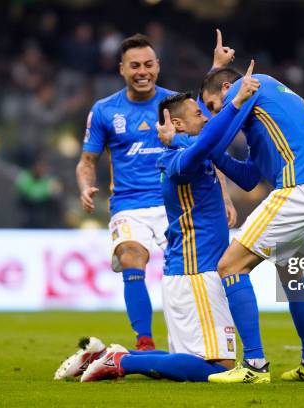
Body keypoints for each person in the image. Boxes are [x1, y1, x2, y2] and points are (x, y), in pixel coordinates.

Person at [60, 63, 260, 383]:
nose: (206, 117)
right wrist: (237, 103)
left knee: (184, 360)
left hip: (191, 273)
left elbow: (240, 167)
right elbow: (207, 141)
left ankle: (102, 356)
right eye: (199, 114)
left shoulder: (187, 152)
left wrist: (225, 84)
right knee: (220, 366)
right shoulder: (180, 161)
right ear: (177, 123)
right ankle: (121, 360)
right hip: (196, 273)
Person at [75, 32, 236, 351]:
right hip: (129, 204)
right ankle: (145, 342)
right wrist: (85, 186)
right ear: (121, 69)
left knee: (208, 266)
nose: (142, 71)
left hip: (177, 204)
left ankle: (210, 335)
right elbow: (86, 161)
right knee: (131, 255)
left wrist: (226, 196)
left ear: (158, 66)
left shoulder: (174, 103)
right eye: (134, 65)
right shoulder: (105, 111)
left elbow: (207, 144)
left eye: (148, 64)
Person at [193, 63, 304, 383]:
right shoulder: (268, 112)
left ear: (226, 89)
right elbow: (250, 178)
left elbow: (210, 136)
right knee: (290, 269)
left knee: (230, 266)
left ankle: (254, 365)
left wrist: (197, 120)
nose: (211, 113)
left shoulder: (246, 86)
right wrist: (209, 151)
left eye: (211, 105)